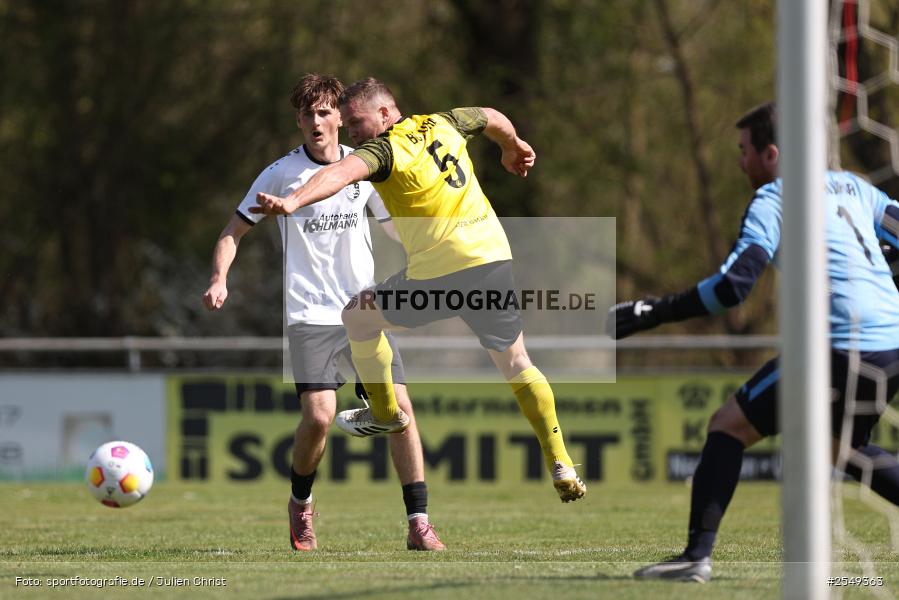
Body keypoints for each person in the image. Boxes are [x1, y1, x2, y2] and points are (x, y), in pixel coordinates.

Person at [252, 77, 586, 502]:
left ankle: (386, 412)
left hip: (439, 276)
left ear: (386, 114)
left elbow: (339, 173)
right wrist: (513, 145)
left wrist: (293, 202)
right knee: (518, 361)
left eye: (357, 122)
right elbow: (492, 116)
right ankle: (559, 461)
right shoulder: (446, 121)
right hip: (492, 262)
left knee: (358, 315)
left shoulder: (383, 150)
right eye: (349, 125)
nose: (352, 133)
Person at [608, 101, 899, 583]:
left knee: (728, 426)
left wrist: (651, 312)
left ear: (773, 153)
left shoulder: (775, 198)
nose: (741, 161)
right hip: (891, 341)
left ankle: (695, 557)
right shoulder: (856, 188)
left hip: (841, 345)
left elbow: (731, 288)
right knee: (838, 449)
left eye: (745, 150)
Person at [203, 73, 445, 552]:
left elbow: (393, 226)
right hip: (310, 313)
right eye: (306, 114)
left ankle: (419, 523)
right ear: (298, 120)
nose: (315, 121)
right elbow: (232, 231)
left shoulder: (365, 166)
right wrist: (218, 278)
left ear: (339, 117)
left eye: (323, 112)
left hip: (364, 309)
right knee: (318, 418)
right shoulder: (279, 175)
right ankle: (301, 503)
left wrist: (434, 245)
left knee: (400, 411)